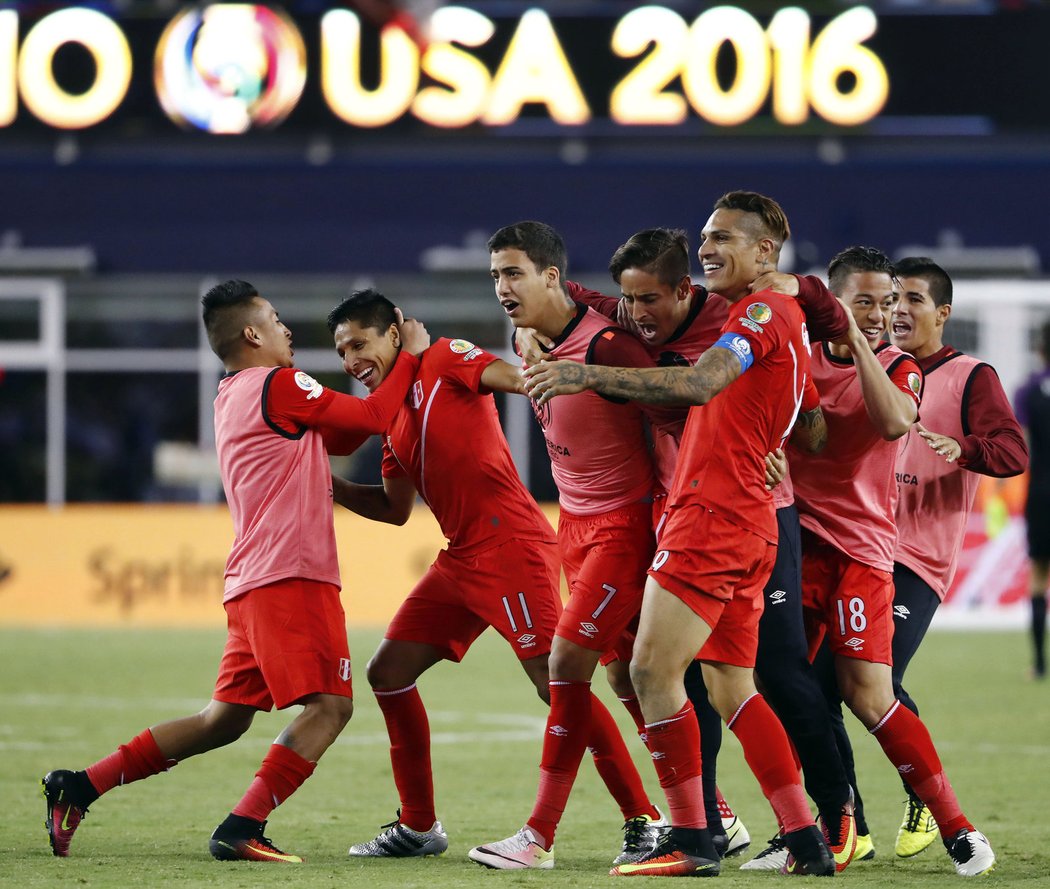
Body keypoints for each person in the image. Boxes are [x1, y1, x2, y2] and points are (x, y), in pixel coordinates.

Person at [40, 280, 429, 862]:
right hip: (291, 575)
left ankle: (81, 783)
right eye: (275, 320)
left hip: (251, 580)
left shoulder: (232, 394)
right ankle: (242, 826)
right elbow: (373, 414)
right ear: (251, 333)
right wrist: (414, 358)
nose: (286, 330)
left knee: (220, 720)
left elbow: (349, 426)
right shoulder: (279, 383)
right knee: (331, 706)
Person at [519, 192, 837, 878]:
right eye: (705, 237)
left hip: (712, 517)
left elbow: (699, 383)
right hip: (749, 518)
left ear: (765, 253)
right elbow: (798, 414)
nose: (709, 247)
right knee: (731, 685)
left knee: (648, 672)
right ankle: (806, 839)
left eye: (724, 237)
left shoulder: (756, 311)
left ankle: (693, 837)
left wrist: (582, 372)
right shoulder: (781, 316)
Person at [323, 289, 662, 864]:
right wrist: (324, 484)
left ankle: (643, 819)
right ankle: (419, 825)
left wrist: (541, 358)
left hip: (512, 548)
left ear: (396, 332)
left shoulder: (446, 357)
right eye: (341, 351)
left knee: (558, 685)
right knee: (388, 671)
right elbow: (393, 507)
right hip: (461, 558)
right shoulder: (391, 414)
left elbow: (517, 379)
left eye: (360, 343)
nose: (351, 360)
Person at [788, 247, 997, 878]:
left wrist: (857, 340)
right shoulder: (795, 356)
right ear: (834, 299)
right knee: (785, 689)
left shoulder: (901, 366)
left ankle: (957, 826)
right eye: (864, 302)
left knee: (867, 691)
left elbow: (893, 423)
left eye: (889, 302)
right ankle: (825, 828)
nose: (881, 315)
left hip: (862, 551)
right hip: (792, 544)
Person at [468, 221, 668, 870]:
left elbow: (678, 411)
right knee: (628, 674)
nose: (502, 286)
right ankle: (706, 816)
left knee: (566, 664)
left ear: (552, 276)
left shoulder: (609, 345)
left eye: (514, 272)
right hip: (573, 529)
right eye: (495, 274)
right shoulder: (527, 335)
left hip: (623, 527)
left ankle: (538, 837)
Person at [1015, 319, 1050, 681]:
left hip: (1040, 494)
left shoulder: (1028, 390)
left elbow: (1021, 448)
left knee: (1039, 576)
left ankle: (1039, 664)